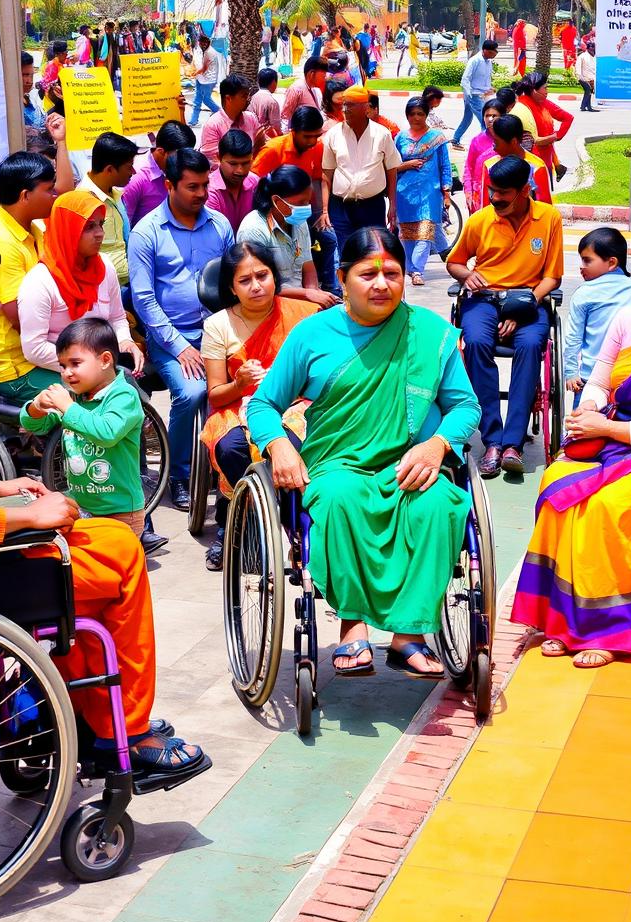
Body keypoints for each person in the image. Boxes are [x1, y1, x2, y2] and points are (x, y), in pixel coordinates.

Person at [0, 234, 204, 783]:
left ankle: (87, 715)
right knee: (121, 558)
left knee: (106, 545)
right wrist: (26, 517)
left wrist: (2, 491)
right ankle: (127, 732)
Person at [247, 227, 481, 676]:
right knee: (338, 500)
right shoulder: (312, 335)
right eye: (367, 273)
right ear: (342, 278)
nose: (381, 284)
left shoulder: (429, 334)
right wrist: (278, 444)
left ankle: (408, 636)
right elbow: (263, 403)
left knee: (438, 504)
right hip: (337, 464)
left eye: (392, 273)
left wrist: (437, 446)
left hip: (411, 463)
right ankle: (353, 628)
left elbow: (465, 406)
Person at [512, 238, 631, 668]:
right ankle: (561, 622)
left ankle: (606, 629)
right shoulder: (626, 319)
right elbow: (599, 381)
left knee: (607, 505)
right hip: (618, 437)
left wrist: (607, 426)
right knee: (557, 483)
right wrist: (589, 411)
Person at [128, 148, 234, 510]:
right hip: (169, 337)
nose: (202, 194)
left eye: (205, 185)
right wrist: (178, 346)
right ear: (169, 185)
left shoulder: (220, 225)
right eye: (192, 187)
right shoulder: (146, 232)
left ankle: (224, 473)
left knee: (236, 392)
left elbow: (231, 284)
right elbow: (143, 299)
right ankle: (179, 474)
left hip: (217, 334)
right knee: (191, 393)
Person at [446, 155, 564, 478]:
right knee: (477, 342)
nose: (495, 198)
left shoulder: (549, 219)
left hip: (529, 299)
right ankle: (492, 441)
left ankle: (513, 444)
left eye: (503, 193)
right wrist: (464, 276)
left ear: (525, 190)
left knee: (530, 346)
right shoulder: (480, 220)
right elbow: (454, 262)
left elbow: (552, 277)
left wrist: (523, 306)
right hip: (484, 300)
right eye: (492, 191)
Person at [200, 243, 315, 570]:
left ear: (274, 277)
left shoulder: (301, 316)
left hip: (293, 403)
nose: (256, 286)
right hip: (235, 404)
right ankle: (239, 521)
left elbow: (317, 379)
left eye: (262, 275)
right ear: (231, 288)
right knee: (232, 448)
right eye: (245, 280)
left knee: (290, 444)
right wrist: (239, 383)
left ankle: (293, 522)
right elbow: (215, 394)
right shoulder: (218, 325)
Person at [20, 317, 158, 544]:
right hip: (81, 505)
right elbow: (34, 424)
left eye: (75, 363)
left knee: (114, 572)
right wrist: (37, 407)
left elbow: (106, 433)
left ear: (105, 360)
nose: (66, 373)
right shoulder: (75, 396)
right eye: (62, 365)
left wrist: (67, 407)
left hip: (120, 511)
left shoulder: (123, 396)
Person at [17, 190, 144, 381]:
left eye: (101, 224)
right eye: (89, 227)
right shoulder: (40, 282)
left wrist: (125, 341)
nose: (100, 234)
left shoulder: (104, 267)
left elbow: (117, 317)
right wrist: (84, 364)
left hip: (102, 365)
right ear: (67, 230)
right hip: (60, 370)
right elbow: (34, 348)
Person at [0, 151, 59, 404]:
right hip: (15, 366)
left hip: (38, 349)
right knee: (93, 389)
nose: (55, 197)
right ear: (25, 196)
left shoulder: (31, 226)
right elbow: (19, 318)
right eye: (49, 190)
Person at [252, 106, 339, 295]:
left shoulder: (317, 147)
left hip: (301, 212)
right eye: (307, 136)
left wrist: (322, 212)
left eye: (316, 136)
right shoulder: (273, 150)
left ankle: (328, 288)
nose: (312, 141)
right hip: (275, 214)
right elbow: (253, 183)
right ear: (294, 131)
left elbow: (318, 180)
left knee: (328, 240)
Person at [238, 166, 337, 308]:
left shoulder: (298, 221)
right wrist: (307, 294)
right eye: (301, 203)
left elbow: (308, 266)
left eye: (308, 201)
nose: (306, 207)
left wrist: (314, 296)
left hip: (301, 301)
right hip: (269, 304)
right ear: (277, 201)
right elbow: (259, 285)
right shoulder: (253, 230)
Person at [321, 86, 400, 254]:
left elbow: (392, 170)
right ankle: (346, 280)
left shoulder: (382, 134)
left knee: (374, 252)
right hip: (340, 207)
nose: (345, 109)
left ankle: (377, 279)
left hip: (372, 205)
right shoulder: (333, 135)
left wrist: (392, 204)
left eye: (350, 105)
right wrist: (325, 210)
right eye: (344, 105)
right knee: (346, 253)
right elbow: (326, 174)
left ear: (366, 108)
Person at [564, 227, 631, 401]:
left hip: (591, 378)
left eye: (587, 260)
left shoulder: (583, 294)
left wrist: (571, 372)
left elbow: (573, 337)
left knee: (582, 425)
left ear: (611, 263)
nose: (581, 267)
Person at [394, 96, 451, 286]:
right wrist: (407, 165)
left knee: (425, 231)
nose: (416, 118)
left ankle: (417, 270)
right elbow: (391, 166)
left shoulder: (437, 137)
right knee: (408, 233)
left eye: (420, 113)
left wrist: (446, 191)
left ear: (426, 115)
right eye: (412, 114)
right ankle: (411, 268)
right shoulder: (400, 137)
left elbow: (445, 166)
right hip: (404, 192)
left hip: (430, 192)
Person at [78, 132, 137, 287]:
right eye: (129, 167)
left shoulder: (115, 194)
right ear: (110, 170)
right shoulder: (84, 203)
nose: (134, 172)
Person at [121, 121, 196, 226]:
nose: (185, 161)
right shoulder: (136, 179)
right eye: (179, 156)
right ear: (161, 152)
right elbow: (124, 226)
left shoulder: (181, 169)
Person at [481, 114, 553, 206]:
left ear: (513, 141)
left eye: (496, 142)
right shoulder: (489, 166)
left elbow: (545, 209)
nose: (493, 147)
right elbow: (485, 207)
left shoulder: (537, 168)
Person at [514, 72, 573, 182]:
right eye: (545, 88)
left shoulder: (544, 103)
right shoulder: (520, 107)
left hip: (546, 156)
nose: (547, 92)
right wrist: (555, 136)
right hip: (530, 160)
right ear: (534, 90)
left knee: (544, 193)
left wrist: (557, 135)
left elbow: (568, 118)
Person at [200, 74, 261, 168]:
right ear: (228, 98)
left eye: (248, 95)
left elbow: (261, 147)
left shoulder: (251, 118)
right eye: (244, 96)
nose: (248, 100)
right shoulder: (213, 125)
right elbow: (213, 162)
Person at [206, 129, 258, 233]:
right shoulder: (208, 191)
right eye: (233, 164)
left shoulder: (255, 183)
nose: (240, 171)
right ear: (219, 158)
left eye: (246, 163)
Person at [452, 38, 499, 151]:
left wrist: (489, 88)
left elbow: (486, 78)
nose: (495, 55)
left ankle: (455, 139)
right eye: (493, 52)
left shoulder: (488, 62)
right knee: (485, 120)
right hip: (474, 95)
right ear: (485, 50)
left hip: (481, 94)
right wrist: (469, 95)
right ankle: (487, 145)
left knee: (467, 118)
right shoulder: (475, 60)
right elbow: (465, 78)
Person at [462, 97, 503, 214]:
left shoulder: (508, 140)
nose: (490, 119)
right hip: (478, 197)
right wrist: (468, 192)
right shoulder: (477, 141)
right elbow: (468, 168)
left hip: (502, 197)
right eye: (487, 116)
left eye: (494, 116)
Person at [281, 57, 327, 131]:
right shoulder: (296, 89)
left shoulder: (315, 90)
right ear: (312, 74)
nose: (324, 79)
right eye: (323, 76)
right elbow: (285, 117)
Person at [190, 34, 221, 125]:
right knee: (197, 99)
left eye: (204, 43)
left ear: (207, 43)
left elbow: (204, 69)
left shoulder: (209, 52)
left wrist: (194, 73)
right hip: (201, 79)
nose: (202, 45)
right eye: (200, 43)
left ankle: (219, 112)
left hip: (208, 80)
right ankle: (193, 120)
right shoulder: (200, 50)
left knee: (205, 99)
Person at [248, 67, 282, 137]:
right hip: (266, 139)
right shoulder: (272, 102)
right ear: (274, 82)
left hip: (252, 136)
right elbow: (276, 127)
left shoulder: (253, 97)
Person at [39, 39, 69, 113]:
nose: (67, 55)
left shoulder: (60, 64)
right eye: (66, 53)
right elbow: (49, 88)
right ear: (60, 54)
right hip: (52, 103)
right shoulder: (53, 66)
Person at [21, 51, 46, 127]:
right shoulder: (10, 106)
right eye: (25, 75)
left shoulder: (27, 98)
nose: (30, 81)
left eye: (32, 75)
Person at [575, 39, 598, 112]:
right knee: (588, 90)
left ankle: (587, 106)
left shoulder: (594, 57)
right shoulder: (582, 56)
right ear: (588, 48)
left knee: (589, 91)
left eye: (593, 48)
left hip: (591, 78)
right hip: (583, 78)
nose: (592, 49)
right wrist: (580, 77)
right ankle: (584, 106)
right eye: (590, 48)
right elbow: (578, 67)